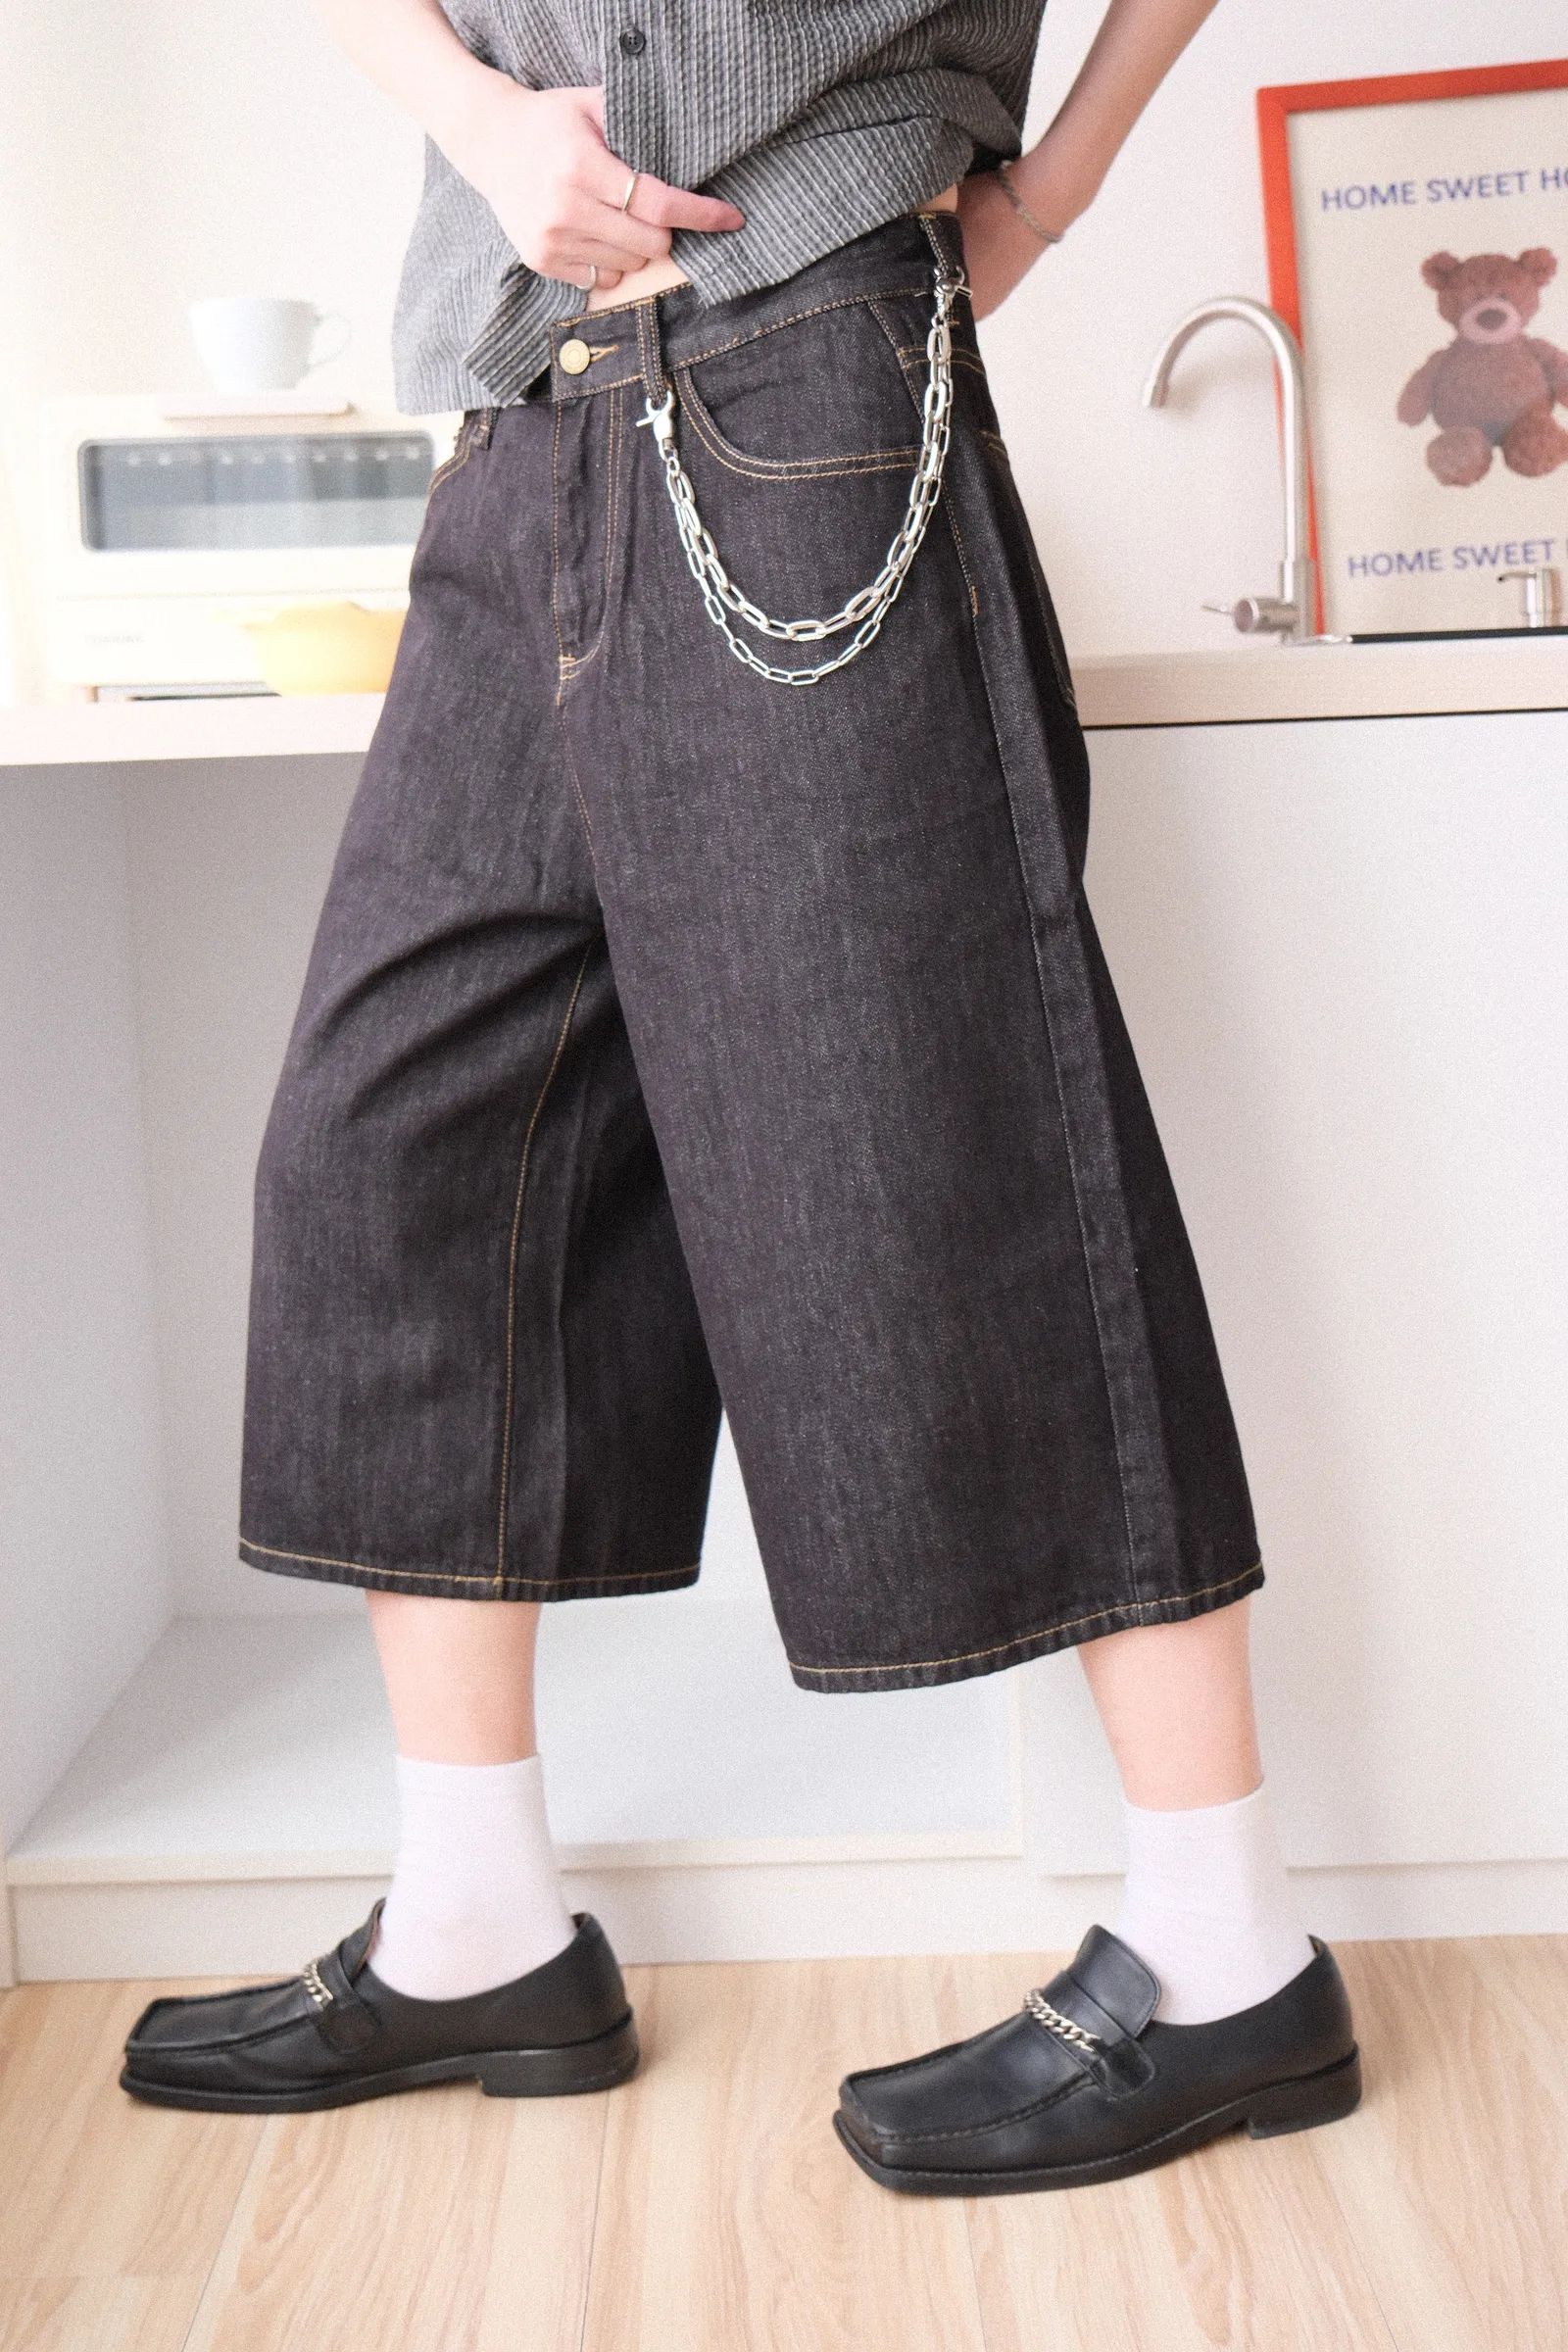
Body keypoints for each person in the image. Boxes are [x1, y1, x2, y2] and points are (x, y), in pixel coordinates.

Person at [120, 0, 1361, 2192]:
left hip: (805, 373)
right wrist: (479, 123)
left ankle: (1224, 1954)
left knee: (939, 1140)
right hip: (521, 415)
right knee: (400, 1154)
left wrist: (1048, 190)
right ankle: (477, 1926)